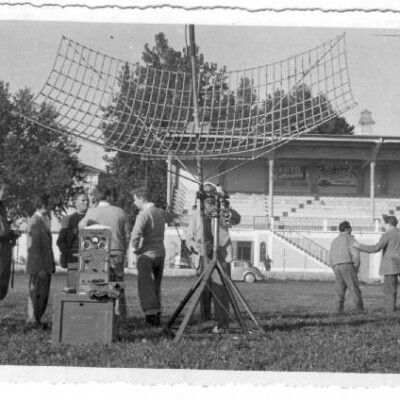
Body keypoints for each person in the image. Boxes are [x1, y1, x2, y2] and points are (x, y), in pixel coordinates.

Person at [185, 183, 241, 330]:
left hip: (220, 258)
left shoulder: (222, 212)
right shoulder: (196, 214)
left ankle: (222, 325)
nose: (209, 203)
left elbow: (236, 218)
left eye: (212, 198)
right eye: (207, 199)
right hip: (203, 258)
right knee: (204, 293)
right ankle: (206, 322)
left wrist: (225, 209)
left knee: (221, 292)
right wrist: (195, 246)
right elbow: (188, 238)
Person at [79, 185, 129, 319]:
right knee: (117, 284)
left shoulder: (92, 212)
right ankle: (119, 316)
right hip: (117, 251)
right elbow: (126, 234)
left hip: (98, 253)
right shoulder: (120, 212)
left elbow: (81, 227)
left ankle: (100, 314)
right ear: (109, 196)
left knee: (99, 284)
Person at [130, 187, 172, 327]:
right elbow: (172, 217)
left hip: (147, 254)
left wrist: (136, 248)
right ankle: (158, 314)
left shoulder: (144, 214)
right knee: (156, 286)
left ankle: (150, 318)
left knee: (145, 286)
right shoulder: (159, 212)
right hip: (160, 253)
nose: (134, 203)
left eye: (135, 199)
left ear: (142, 199)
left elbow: (135, 235)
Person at [354, 214, 400, 313]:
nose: (384, 226)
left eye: (384, 224)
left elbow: (375, 248)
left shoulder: (387, 235)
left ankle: (389, 310)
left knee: (389, 289)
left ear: (389, 224)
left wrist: (359, 246)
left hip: (390, 265)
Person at [26, 194, 55, 328]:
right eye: (49, 204)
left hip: (45, 266)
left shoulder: (43, 220)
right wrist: (39, 268)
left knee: (43, 295)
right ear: (43, 205)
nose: (51, 207)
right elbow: (33, 249)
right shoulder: (35, 221)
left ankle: (37, 320)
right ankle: (33, 321)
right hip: (39, 267)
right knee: (36, 294)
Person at [56, 192, 89, 292]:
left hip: (89, 260)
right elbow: (61, 241)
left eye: (87, 200)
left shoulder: (93, 218)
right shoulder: (68, 219)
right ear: (76, 203)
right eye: (83, 200)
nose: (86, 202)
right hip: (73, 260)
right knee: (73, 290)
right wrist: (68, 254)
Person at [329, 221, 364, 314]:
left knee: (339, 291)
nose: (352, 230)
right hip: (348, 265)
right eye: (350, 228)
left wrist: (334, 267)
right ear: (347, 229)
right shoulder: (350, 239)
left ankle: (338, 311)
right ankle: (359, 311)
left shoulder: (334, 241)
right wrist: (356, 267)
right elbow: (355, 254)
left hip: (337, 267)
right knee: (354, 290)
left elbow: (330, 257)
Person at [0, 177, 16, 301]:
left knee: (2, 283)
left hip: (4, 247)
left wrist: (11, 232)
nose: (6, 193)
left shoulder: (2, 207)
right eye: (4, 190)